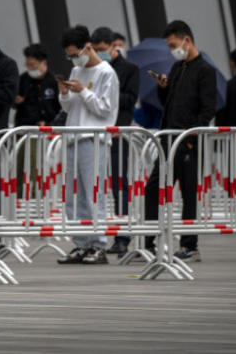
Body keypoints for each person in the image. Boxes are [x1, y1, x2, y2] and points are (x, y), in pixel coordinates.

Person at [142, 21, 216, 262]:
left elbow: (208, 109)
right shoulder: (176, 68)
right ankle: (149, 240)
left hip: (188, 141)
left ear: (187, 40)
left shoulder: (205, 70)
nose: (173, 49)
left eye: (174, 44)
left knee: (188, 193)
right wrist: (163, 88)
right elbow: (169, 104)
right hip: (168, 138)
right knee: (153, 188)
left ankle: (190, 245)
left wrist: (193, 135)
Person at [56, 25, 119, 265]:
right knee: (74, 195)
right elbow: (69, 107)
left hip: (94, 138)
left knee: (94, 192)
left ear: (88, 47)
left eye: (76, 53)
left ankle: (99, 244)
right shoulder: (76, 69)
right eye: (70, 55)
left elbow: (105, 109)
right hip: (73, 134)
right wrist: (65, 94)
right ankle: (81, 243)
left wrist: (83, 92)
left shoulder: (106, 73)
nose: (74, 59)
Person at [90, 27, 140, 257]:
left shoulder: (129, 69)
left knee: (120, 185)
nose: (101, 54)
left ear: (113, 46)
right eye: (97, 50)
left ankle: (122, 237)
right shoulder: (94, 69)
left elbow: (130, 99)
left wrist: (109, 91)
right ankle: (94, 236)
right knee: (97, 186)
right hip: (97, 134)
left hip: (118, 133)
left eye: (103, 50)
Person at [14, 43, 61, 127]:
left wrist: (50, 124)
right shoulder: (22, 80)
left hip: (49, 129)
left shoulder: (54, 81)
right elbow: (14, 103)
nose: (29, 68)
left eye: (32, 65)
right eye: (27, 65)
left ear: (44, 63)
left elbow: (61, 108)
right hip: (26, 130)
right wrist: (16, 101)